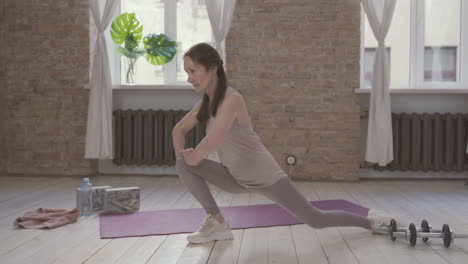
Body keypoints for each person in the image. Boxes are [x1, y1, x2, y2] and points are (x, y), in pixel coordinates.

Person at [172, 43, 392, 244]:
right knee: (183, 164)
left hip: (267, 178)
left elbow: (212, 141)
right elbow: (178, 130)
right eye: (187, 72)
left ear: (212, 68)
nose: (190, 77)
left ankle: (371, 222)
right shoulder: (206, 103)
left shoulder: (232, 99)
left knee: (316, 219)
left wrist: (194, 156)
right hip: (235, 178)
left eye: (193, 70)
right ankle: (218, 222)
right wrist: (184, 156)